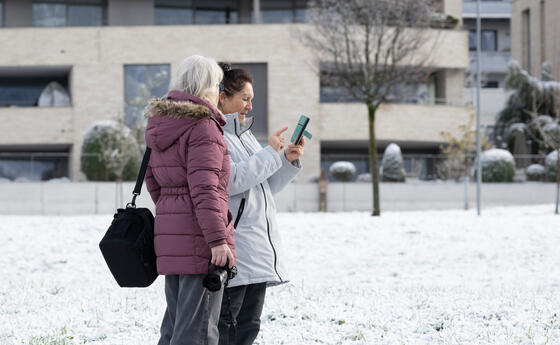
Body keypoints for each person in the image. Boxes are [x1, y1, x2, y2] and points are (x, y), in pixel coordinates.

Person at [144, 55, 236, 345]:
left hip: (171, 237)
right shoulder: (202, 127)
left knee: (176, 324)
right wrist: (218, 240)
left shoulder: (159, 125)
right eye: (218, 85)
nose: (220, 93)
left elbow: (152, 180)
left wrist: (174, 213)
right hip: (200, 239)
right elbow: (206, 189)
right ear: (207, 86)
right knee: (198, 330)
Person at [216, 63, 305, 345]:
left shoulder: (246, 136)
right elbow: (231, 182)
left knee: (248, 329)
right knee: (228, 331)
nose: (250, 106)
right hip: (236, 248)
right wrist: (270, 153)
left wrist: (286, 160)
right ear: (222, 97)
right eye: (244, 98)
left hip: (258, 250)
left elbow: (262, 189)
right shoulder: (216, 137)